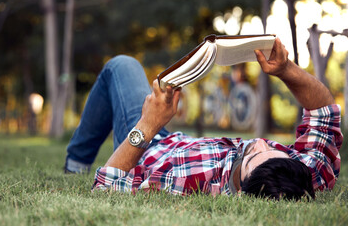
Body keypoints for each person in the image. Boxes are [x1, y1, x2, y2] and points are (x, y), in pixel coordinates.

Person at [64, 38, 343, 200]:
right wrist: (286, 69)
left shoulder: (190, 185)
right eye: (270, 149)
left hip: (141, 146)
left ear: (241, 188)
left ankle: (76, 163)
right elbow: (325, 112)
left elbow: (104, 186)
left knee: (121, 65)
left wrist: (148, 124)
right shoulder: (307, 175)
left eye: (250, 157)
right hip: (171, 136)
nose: (258, 143)